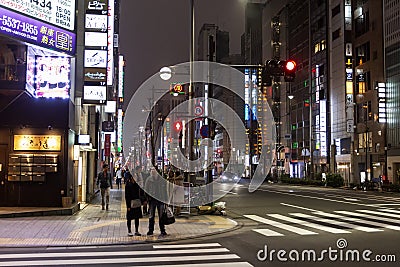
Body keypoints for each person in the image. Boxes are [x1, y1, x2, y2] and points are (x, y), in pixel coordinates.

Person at [144, 168, 167, 236]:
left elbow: (165, 190)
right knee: (151, 216)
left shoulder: (162, 180)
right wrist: (147, 199)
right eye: (152, 170)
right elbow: (146, 190)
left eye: (154, 170)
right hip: (152, 200)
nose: (153, 171)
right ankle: (151, 230)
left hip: (160, 200)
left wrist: (166, 200)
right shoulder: (149, 180)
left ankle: (162, 230)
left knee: (161, 216)